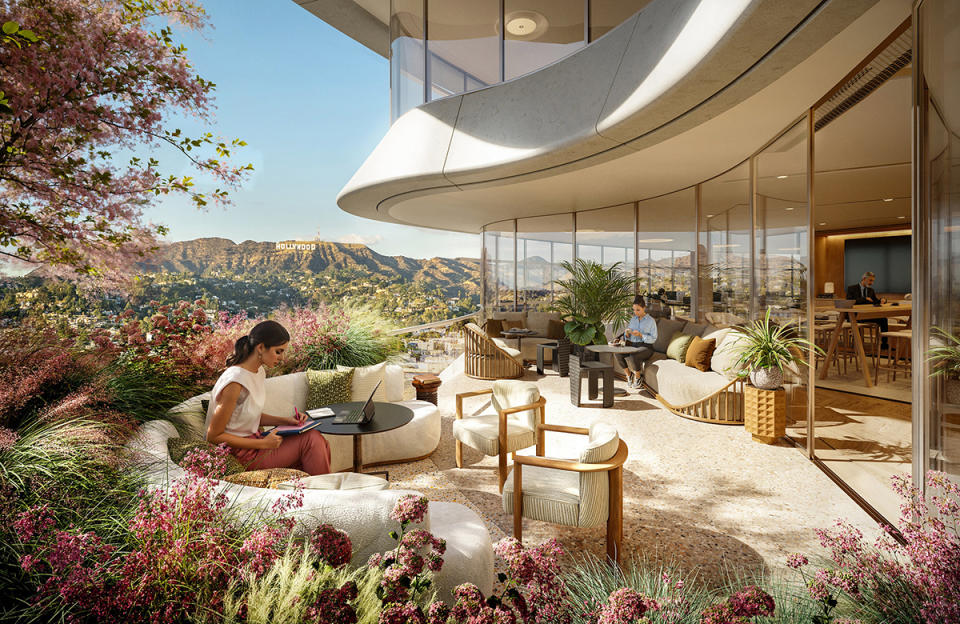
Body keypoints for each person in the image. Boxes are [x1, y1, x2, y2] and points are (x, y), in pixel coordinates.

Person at [206, 320, 331, 475]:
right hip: (241, 455)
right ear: (260, 347)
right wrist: (264, 444)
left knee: (319, 441)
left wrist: (287, 421)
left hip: (255, 443)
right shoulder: (235, 381)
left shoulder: (258, 372)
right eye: (278, 351)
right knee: (311, 440)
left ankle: (316, 491)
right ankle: (324, 494)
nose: (282, 357)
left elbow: (246, 416)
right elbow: (213, 436)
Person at [614, 295, 658, 389]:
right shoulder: (633, 319)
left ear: (644, 308)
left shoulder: (651, 321)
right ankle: (629, 375)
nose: (635, 312)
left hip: (646, 347)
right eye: (634, 310)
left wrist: (641, 335)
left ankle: (638, 377)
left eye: (638, 310)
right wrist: (627, 334)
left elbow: (653, 338)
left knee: (634, 355)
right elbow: (628, 337)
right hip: (633, 345)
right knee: (617, 352)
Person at [845, 271, 889, 344]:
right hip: (855, 315)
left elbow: (874, 301)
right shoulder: (851, 288)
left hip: (866, 315)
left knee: (883, 319)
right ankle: (858, 345)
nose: (872, 283)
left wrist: (882, 300)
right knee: (857, 324)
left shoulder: (871, 290)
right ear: (864, 279)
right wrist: (864, 299)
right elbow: (850, 301)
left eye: (873, 281)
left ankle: (884, 344)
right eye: (870, 280)